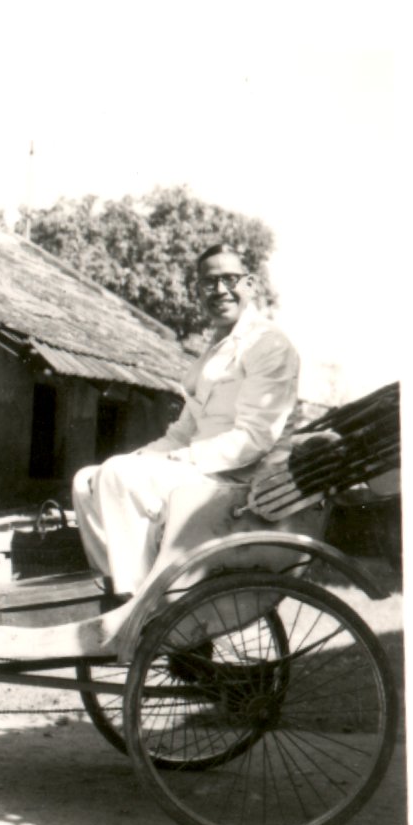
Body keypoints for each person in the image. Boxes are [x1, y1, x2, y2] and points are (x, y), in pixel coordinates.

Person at [71, 243, 300, 598]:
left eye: (230, 279)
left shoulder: (268, 345)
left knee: (118, 475)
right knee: (88, 479)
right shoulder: (213, 352)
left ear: (251, 285)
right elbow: (183, 431)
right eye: (209, 282)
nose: (220, 290)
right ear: (198, 290)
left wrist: (185, 458)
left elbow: (255, 438)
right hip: (202, 469)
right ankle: (118, 588)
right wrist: (144, 457)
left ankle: (137, 604)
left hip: (241, 477)